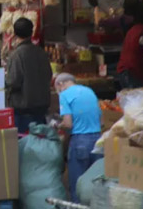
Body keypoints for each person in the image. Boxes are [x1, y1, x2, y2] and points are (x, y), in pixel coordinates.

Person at [54, 73, 102, 202]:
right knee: (97, 185)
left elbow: (68, 124)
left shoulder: (65, 95)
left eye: (57, 90)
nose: (58, 93)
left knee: (77, 187)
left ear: (61, 84)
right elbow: (99, 116)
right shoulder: (89, 91)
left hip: (80, 142)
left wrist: (58, 125)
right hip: (98, 141)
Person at [5, 17, 53, 134]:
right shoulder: (41, 52)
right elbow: (49, 75)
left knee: (24, 144)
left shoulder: (16, 55)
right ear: (32, 32)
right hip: (41, 106)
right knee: (40, 142)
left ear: (15, 33)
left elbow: (13, 81)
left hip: (23, 108)